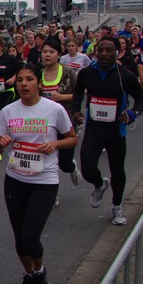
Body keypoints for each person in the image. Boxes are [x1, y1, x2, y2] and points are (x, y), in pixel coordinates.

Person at [0, 62, 77, 284]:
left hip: (44, 181)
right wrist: (0, 144)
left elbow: (72, 138)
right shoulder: (8, 111)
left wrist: (55, 144)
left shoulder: (54, 109)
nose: (24, 84)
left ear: (39, 83)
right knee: (20, 238)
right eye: (20, 80)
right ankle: (29, 275)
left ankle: (40, 272)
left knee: (30, 236)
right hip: (15, 180)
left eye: (29, 79)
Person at [71, 37, 143, 226]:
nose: (104, 54)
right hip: (94, 128)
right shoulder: (87, 73)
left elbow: (141, 99)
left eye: (109, 50)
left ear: (116, 53)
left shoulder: (125, 76)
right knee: (87, 168)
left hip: (116, 131)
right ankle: (99, 184)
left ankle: (116, 206)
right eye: (101, 50)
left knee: (117, 170)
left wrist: (133, 113)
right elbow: (78, 93)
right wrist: (76, 111)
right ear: (95, 52)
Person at [39, 37, 81, 186]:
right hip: (43, 123)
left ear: (58, 54)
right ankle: (49, 190)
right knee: (46, 160)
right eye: (45, 52)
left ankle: (72, 167)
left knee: (64, 163)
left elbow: (79, 95)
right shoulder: (38, 73)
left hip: (65, 120)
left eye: (51, 52)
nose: (47, 55)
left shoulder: (68, 72)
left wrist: (62, 97)